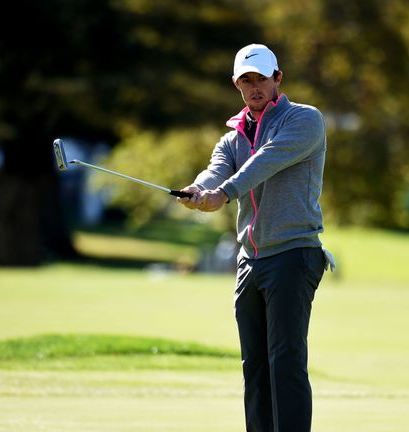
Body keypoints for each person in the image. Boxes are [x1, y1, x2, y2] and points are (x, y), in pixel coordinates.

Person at [177, 43, 334, 432]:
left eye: (261, 79)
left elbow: (265, 161)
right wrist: (197, 190)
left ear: (278, 78)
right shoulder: (233, 138)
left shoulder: (305, 121)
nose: (254, 87)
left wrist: (223, 194)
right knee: (256, 366)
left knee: (286, 362)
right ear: (236, 85)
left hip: (293, 253)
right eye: (246, 81)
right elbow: (215, 171)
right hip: (251, 260)